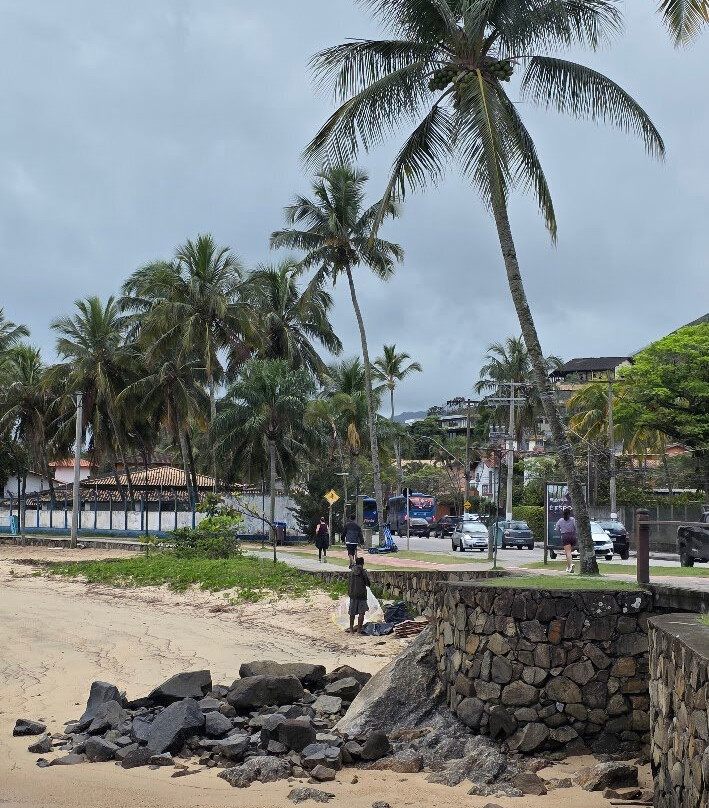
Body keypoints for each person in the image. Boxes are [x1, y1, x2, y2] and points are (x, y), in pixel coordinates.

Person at [347, 556, 371, 634]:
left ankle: (351, 630)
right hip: (361, 594)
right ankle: (359, 630)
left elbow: (349, 582)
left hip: (352, 594)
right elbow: (367, 583)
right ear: (362, 563)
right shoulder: (363, 572)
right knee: (361, 613)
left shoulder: (351, 571)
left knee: (352, 612)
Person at [555, 507, 577, 574]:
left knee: (568, 552)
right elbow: (576, 527)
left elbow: (557, 528)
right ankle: (568, 567)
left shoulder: (560, 520)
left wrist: (561, 531)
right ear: (569, 514)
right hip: (573, 536)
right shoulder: (573, 519)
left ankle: (571, 564)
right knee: (569, 552)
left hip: (565, 536)